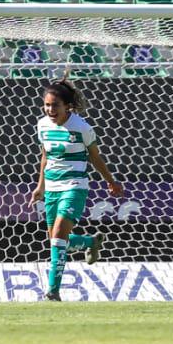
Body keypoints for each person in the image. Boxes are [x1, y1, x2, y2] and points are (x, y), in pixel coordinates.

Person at [31, 79, 123, 301]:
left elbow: (95, 157)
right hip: (52, 187)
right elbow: (45, 156)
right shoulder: (42, 125)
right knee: (56, 240)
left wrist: (111, 181)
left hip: (74, 186)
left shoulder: (82, 128)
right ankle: (90, 242)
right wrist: (40, 186)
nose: (50, 110)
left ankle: (52, 291)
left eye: (55, 105)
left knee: (59, 234)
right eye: (47, 105)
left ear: (67, 106)